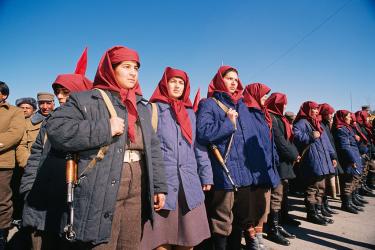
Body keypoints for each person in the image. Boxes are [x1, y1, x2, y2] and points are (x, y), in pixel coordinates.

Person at [45, 45, 167, 249]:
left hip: (138, 181)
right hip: (101, 180)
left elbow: (153, 148)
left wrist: (159, 186)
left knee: (130, 242)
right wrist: (104, 128)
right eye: (126, 66)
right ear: (111, 68)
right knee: (102, 243)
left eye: (136, 68)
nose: (133, 72)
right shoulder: (87, 99)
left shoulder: (141, 106)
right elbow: (57, 129)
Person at [19, 48, 93, 250]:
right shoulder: (50, 120)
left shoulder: (93, 123)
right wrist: (28, 188)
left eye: (66, 92)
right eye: (58, 92)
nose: (60, 97)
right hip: (42, 193)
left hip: (73, 199)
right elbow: (36, 155)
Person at [142, 67, 212, 250]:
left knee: (189, 240)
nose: (177, 85)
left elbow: (197, 145)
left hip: (189, 182)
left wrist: (206, 173)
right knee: (160, 240)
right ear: (165, 83)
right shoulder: (153, 109)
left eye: (181, 82)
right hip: (164, 183)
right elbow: (148, 147)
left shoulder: (190, 113)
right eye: (173, 81)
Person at [196, 65, 253, 250]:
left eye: (236, 79)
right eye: (229, 78)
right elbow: (203, 133)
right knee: (222, 220)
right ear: (220, 80)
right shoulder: (209, 103)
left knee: (240, 218)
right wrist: (227, 122)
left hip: (244, 173)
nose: (233, 82)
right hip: (224, 171)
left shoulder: (241, 105)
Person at [241, 83, 280, 249]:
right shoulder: (246, 112)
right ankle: (251, 240)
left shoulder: (263, 114)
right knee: (250, 209)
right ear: (254, 95)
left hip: (266, 168)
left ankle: (259, 237)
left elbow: (269, 141)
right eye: (263, 95)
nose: (265, 98)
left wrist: (274, 159)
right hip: (252, 169)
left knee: (262, 208)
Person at [264, 92, 300, 246]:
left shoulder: (279, 118)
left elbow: (287, 140)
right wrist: (294, 155)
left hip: (284, 162)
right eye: (282, 103)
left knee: (282, 194)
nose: (284, 106)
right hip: (278, 163)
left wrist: (294, 154)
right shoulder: (272, 117)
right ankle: (273, 229)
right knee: (276, 196)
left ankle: (278, 225)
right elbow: (280, 142)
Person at [293, 101, 337, 226]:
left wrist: (332, 156)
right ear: (307, 109)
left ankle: (318, 212)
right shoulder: (301, 122)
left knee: (321, 188)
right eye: (313, 109)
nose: (316, 111)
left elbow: (326, 143)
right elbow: (296, 136)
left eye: (317, 109)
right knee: (312, 187)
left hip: (323, 160)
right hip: (311, 160)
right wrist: (310, 135)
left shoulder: (317, 123)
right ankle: (312, 213)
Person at [0, 81, 25, 249]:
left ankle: (1, 235)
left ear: (4, 95)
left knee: (2, 201)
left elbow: (15, 134)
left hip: (2, 163)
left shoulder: (15, 112)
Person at [333, 110, 364, 214]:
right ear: (342, 117)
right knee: (348, 181)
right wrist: (352, 159)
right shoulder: (340, 129)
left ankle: (351, 202)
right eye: (348, 116)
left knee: (353, 180)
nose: (350, 118)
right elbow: (344, 146)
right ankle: (346, 204)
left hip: (354, 156)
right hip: (348, 159)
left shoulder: (347, 128)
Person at [319, 103, 342, 214]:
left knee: (327, 183)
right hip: (324, 156)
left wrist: (333, 156)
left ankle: (325, 204)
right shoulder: (321, 124)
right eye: (329, 113)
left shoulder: (327, 124)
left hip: (330, 155)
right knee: (323, 183)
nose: (332, 115)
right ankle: (322, 206)